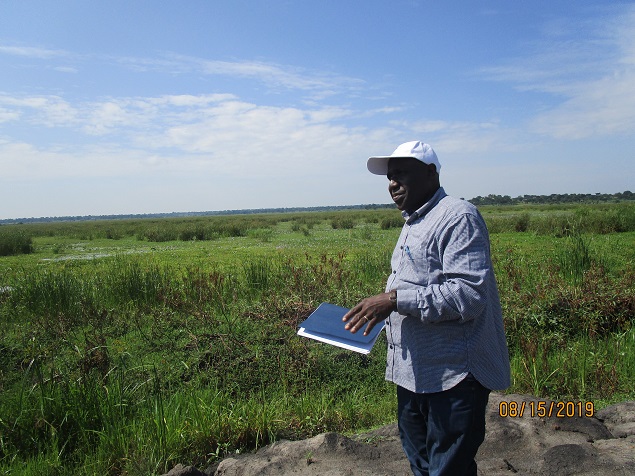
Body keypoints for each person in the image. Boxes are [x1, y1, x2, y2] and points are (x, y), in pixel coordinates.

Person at [342, 141, 510, 476]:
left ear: (431, 173)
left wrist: (392, 300)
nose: (393, 183)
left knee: (448, 469)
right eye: (390, 177)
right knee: (421, 464)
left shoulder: (458, 217)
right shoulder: (414, 221)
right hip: (413, 374)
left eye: (402, 172)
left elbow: (467, 295)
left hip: (454, 377)